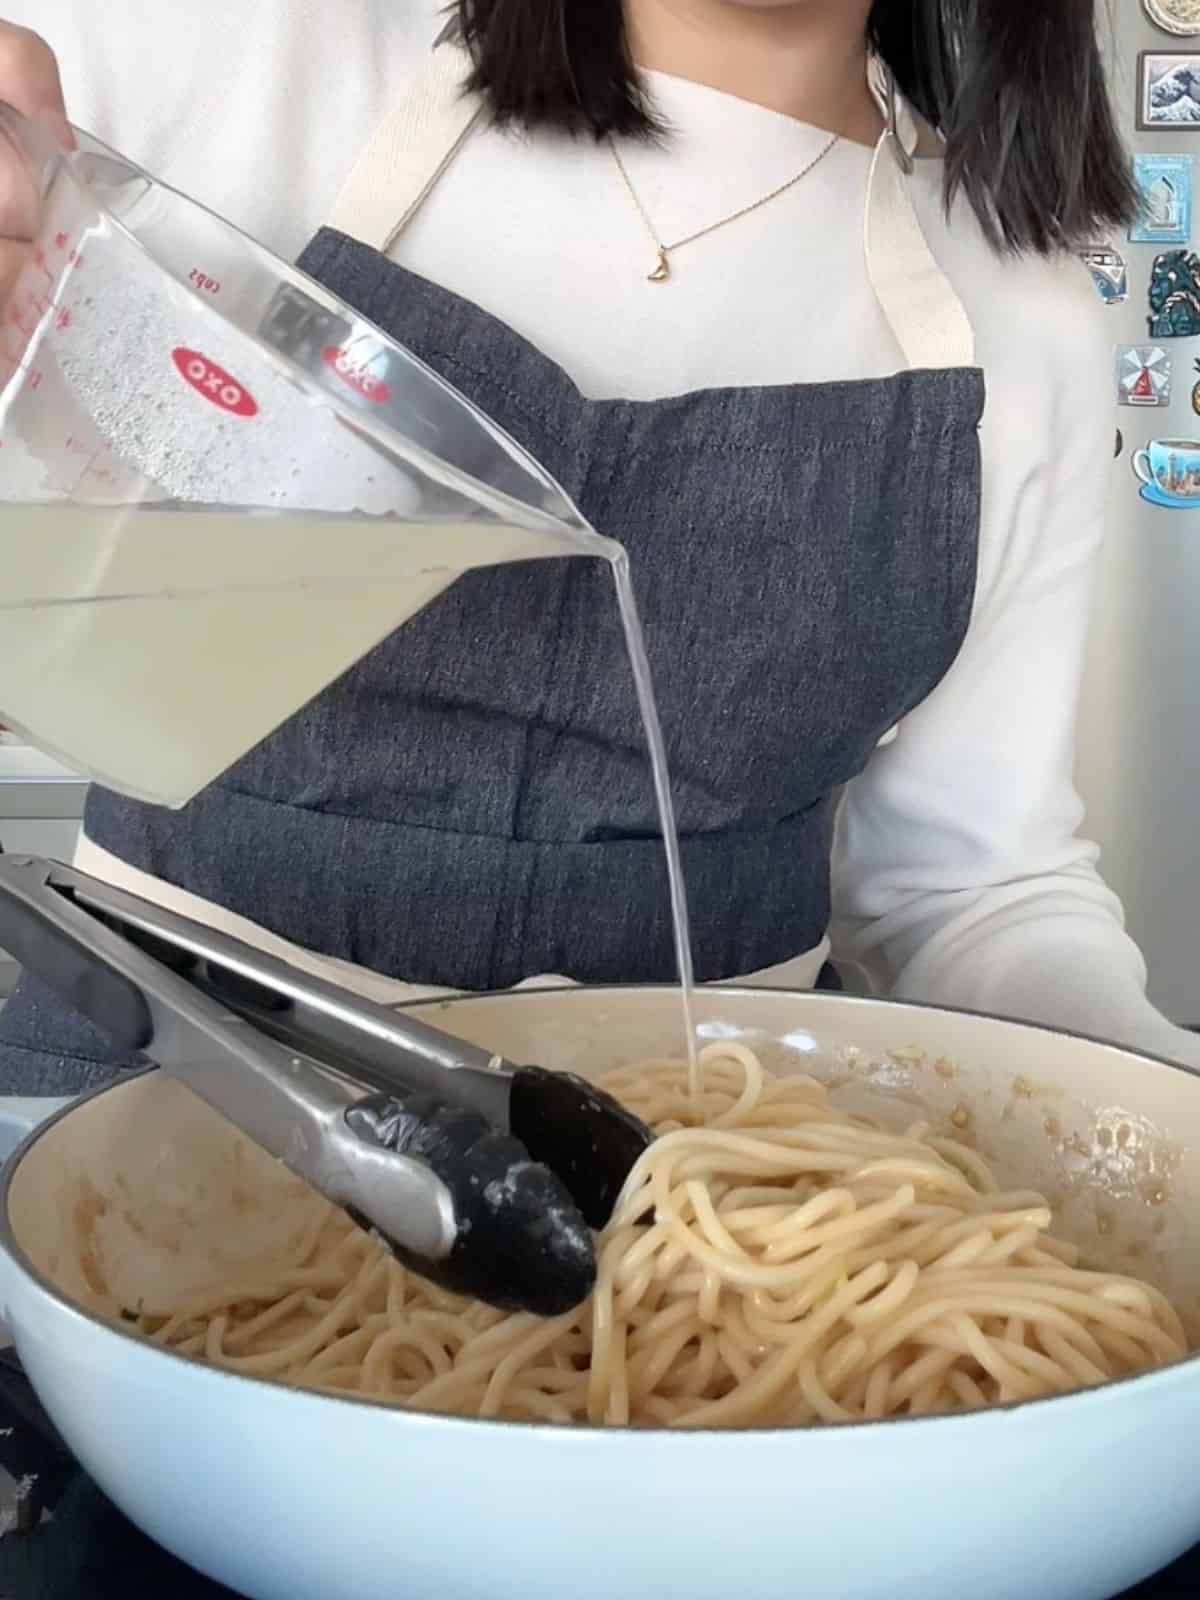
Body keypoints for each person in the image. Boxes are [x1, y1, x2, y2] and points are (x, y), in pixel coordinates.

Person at [1, 0, 1195, 1097]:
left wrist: (1158, 1106)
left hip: (713, 1199)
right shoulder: (220, 55)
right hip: (143, 1098)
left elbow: (968, 886)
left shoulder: (1020, 317)